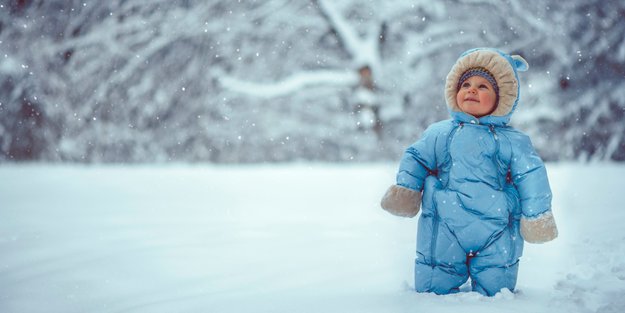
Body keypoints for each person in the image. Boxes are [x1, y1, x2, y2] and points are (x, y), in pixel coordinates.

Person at [380, 48, 558, 296]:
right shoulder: (440, 133)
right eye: (466, 84)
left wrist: (537, 216)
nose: (472, 89)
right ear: (454, 91)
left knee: (497, 291)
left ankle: (493, 286)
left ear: (502, 97)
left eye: (483, 86)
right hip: (445, 223)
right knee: (433, 288)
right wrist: (407, 189)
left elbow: (531, 176)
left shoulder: (513, 141)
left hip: (497, 228)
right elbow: (416, 157)